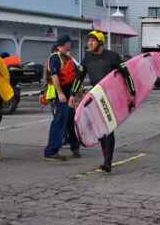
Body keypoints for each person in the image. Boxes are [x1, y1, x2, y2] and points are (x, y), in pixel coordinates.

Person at [69, 31, 136, 173]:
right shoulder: (87, 59)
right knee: (100, 129)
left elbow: (127, 75)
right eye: (89, 41)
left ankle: (107, 162)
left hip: (111, 96)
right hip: (96, 96)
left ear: (100, 42)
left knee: (108, 129)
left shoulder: (112, 57)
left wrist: (132, 92)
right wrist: (72, 94)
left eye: (93, 41)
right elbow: (78, 78)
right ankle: (106, 159)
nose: (90, 43)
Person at [44, 35, 83, 161]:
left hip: (69, 94)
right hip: (61, 95)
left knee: (71, 120)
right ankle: (51, 151)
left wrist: (79, 90)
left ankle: (74, 146)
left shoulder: (68, 58)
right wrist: (60, 93)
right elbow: (54, 76)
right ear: (66, 43)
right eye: (69, 43)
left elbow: (75, 75)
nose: (70, 45)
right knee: (59, 121)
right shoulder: (54, 58)